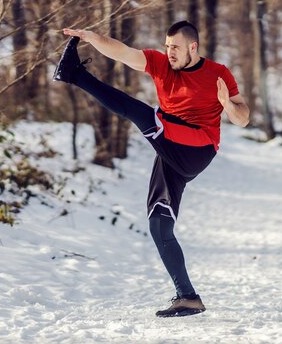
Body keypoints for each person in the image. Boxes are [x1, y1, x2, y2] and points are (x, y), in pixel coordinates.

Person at [55, 21, 249, 317]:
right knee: (159, 223)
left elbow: (243, 117)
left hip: (199, 145)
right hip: (171, 147)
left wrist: (227, 105)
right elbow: (123, 52)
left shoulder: (218, 73)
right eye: (167, 46)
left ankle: (75, 74)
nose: (170, 53)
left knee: (143, 114)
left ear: (193, 47)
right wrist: (92, 38)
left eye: (176, 48)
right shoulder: (160, 64)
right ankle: (188, 297)